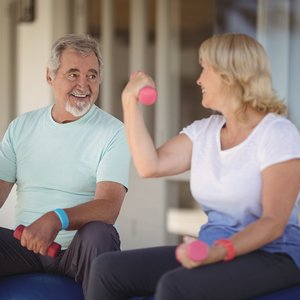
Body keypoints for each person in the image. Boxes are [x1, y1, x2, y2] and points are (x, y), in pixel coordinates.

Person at [86, 33, 300, 300]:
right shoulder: (204, 132)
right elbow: (149, 165)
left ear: (228, 74)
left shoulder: (277, 133)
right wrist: (130, 103)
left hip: (273, 253)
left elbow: (273, 223)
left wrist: (217, 252)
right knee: (107, 269)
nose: (199, 79)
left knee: (176, 286)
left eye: (205, 68)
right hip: (211, 247)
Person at [0, 34, 130, 296]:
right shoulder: (21, 127)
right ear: (50, 76)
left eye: (92, 75)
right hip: (25, 246)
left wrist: (58, 218)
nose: (83, 84)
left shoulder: (114, 132)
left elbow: (109, 206)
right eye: (73, 74)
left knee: (100, 233)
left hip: (77, 252)